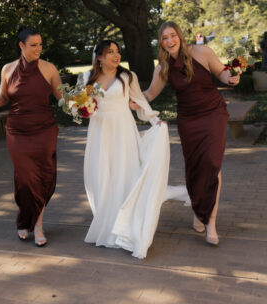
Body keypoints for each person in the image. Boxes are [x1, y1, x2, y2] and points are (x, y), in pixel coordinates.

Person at [80, 40, 189, 259]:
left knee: (123, 176)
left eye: (118, 52)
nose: (116, 55)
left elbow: (140, 100)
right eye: (110, 52)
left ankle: (123, 227)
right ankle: (106, 222)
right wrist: (81, 108)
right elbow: (84, 107)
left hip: (122, 131)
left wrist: (154, 120)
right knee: (100, 177)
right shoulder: (86, 78)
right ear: (99, 57)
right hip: (100, 133)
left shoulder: (128, 77)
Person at [142, 21, 239, 246]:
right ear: (161, 42)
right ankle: (198, 211)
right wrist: (128, 100)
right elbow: (150, 94)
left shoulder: (202, 51)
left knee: (211, 164)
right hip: (188, 121)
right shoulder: (163, 67)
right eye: (164, 38)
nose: (169, 41)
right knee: (195, 168)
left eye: (172, 35)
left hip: (214, 114)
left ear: (180, 36)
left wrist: (231, 78)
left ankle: (211, 222)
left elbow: (222, 73)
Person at [0, 27, 62, 246]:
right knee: (25, 178)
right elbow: (3, 97)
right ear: (21, 46)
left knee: (43, 176)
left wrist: (83, 102)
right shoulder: (8, 69)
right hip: (17, 131)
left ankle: (38, 225)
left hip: (44, 129)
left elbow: (63, 98)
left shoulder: (49, 69)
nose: (38, 49)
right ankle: (24, 219)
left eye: (40, 44)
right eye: (33, 45)